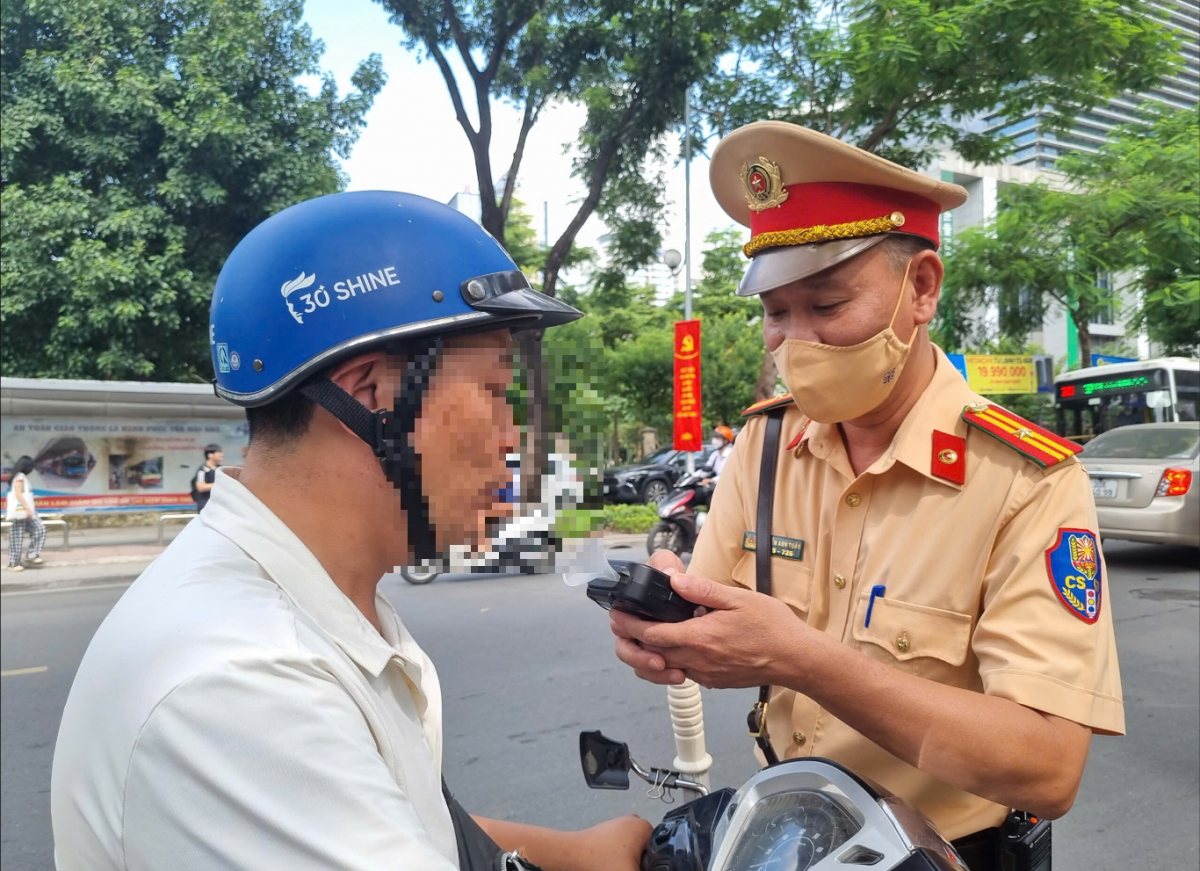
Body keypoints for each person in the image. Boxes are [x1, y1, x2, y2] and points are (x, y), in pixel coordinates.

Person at [52, 192, 651, 871]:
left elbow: (384, 811)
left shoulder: (314, 600)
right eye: (491, 391)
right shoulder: (243, 682)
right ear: (372, 394)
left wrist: (575, 854)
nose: (512, 437)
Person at [609, 122, 1123, 871]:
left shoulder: (1024, 480)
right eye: (776, 314)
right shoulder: (764, 447)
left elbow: (1048, 766)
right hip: (786, 835)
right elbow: (713, 608)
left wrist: (810, 660)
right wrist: (665, 625)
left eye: (825, 305)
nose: (796, 345)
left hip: (945, 853)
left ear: (920, 289)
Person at [5, 456, 46, 572]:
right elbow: (18, 494)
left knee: (39, 529)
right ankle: (13, 563)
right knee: (17, 536)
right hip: (22, 510)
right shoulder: (20, 477)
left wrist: (33, 498)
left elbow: (23, 493)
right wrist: (27, 508)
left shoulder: (20, 477)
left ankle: (32, 555)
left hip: (25, 509)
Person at [190, 443, 223, 511]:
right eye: (219, 452)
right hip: (206, 506)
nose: (222, 454)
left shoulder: (220, 469)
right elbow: (201, 487)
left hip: (219, 506)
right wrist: (220, 484)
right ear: (210, 455)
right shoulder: (202, 470)